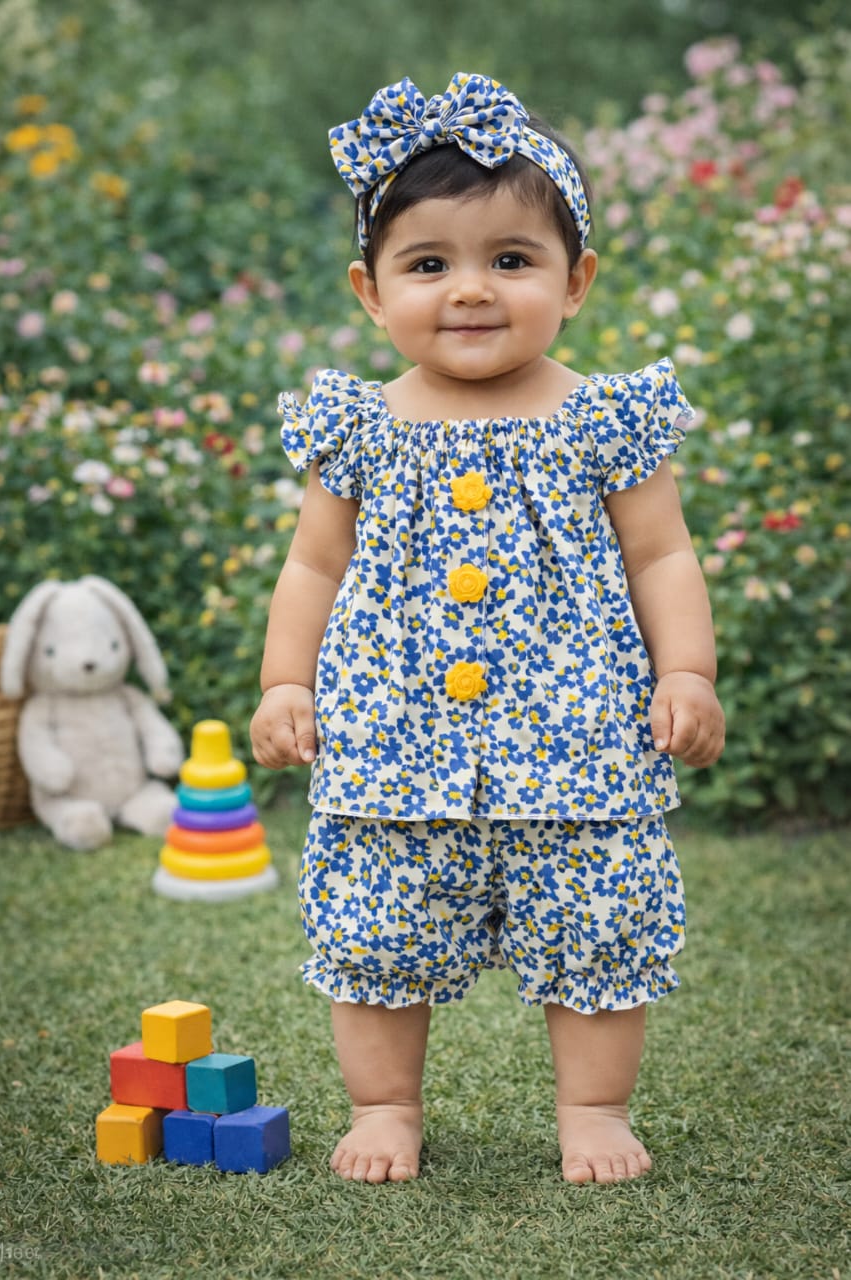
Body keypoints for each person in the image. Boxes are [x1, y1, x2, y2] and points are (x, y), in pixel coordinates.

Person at [251, 72, 725, 1186]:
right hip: (389, 745)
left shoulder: (601, 415)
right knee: (377, 928)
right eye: (430, 265)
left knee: (595, 915)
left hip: (578, 743)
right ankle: (385, 1103)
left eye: (511, 259)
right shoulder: (361, 425)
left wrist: (687, 669)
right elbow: (312, 564)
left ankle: (594, 1106)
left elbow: (662, 552)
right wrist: (285, 683)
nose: (471, 290)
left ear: (576, 280)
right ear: (371, 292)